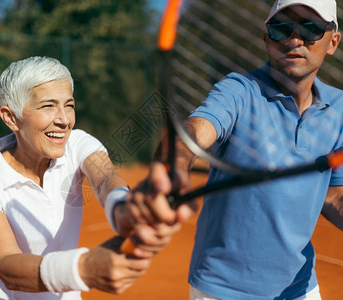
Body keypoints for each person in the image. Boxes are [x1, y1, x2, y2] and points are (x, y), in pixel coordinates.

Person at [125, 0, 342, 299]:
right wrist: (172, 167)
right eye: (282, 28)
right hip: (223, 288)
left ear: (333, 41)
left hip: (301, 287)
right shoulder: (238, 90)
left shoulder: (340, 108)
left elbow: (332, 193)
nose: (294, 39)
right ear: (267, 39)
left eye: (310, 29)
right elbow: (194, 131)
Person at [0, 56, 178, 299]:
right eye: (48, 106)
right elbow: (5, 262)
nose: (64, 120)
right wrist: (83, 269)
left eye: (69, 105)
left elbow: (105, 178)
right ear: (11, 117)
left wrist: (124, 208)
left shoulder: (78, 143)